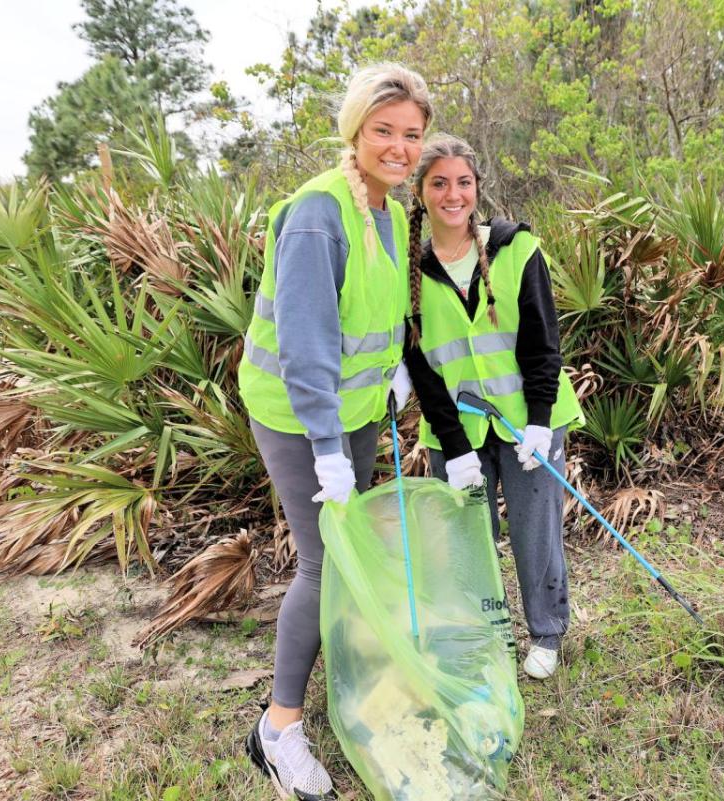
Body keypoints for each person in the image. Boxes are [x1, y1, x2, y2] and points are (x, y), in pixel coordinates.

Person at [237, 63, 433, 800]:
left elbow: (368, 315)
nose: (400, 147)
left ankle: (350, 686)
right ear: (356, 129)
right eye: (385, 131)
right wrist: (327, 451)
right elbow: (308, 346)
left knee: (351, 564)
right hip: (298, 415)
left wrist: (394, 367)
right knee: (324, 565)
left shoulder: (387, 209)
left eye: (411, 134)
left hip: (351, 410)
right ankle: (278, 729)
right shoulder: (321, 212)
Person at [401, 133, 584, 682]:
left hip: (529, 420)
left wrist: (538, 422)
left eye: (463, 182)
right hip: (455, 429)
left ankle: (546, 633)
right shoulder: (407, 267)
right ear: (420, 191)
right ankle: (484, 635)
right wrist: (453, 448)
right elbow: (424, 367)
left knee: (535, 532)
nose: (452, 194)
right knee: (467, 541)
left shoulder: (516, 249)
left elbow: (541, 345)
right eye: (439, 183)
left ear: (477, 188)